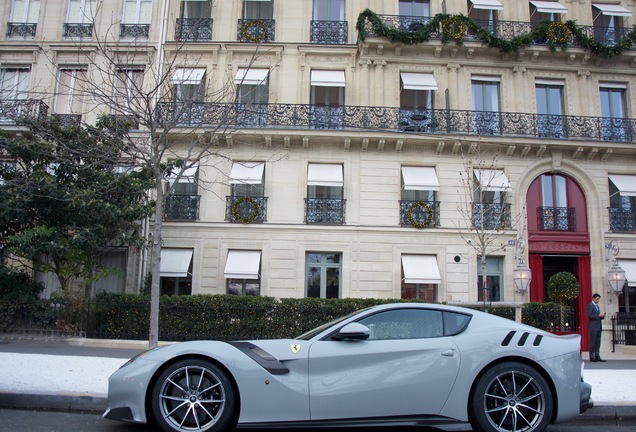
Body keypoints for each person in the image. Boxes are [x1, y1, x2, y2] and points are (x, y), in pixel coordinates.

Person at [587, 293, 606, 362]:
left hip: (598, 326)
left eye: (598, 299)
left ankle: (597, 356)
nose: (598, 301)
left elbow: (597, 316)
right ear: (593, 298)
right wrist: (598, 316)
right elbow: (589, 316)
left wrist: (602, 316)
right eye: (597, 299)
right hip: (593, 327)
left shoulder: (597, 307)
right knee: (592, 342)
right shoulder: (590, 306)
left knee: (598, 342)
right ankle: (592, 357)